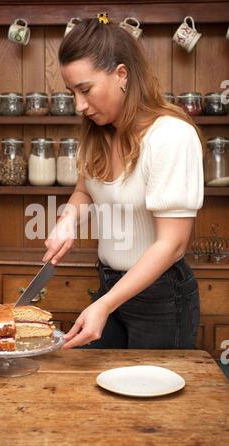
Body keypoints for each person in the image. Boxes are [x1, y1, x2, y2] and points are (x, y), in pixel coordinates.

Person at [43, 15, 204, 351]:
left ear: (121, 75)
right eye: (72, 92)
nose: (79, 105)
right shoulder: (98, 134)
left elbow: (172, 245)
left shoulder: (171, 135)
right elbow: (85, 191)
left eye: (85, 90)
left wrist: (104, 305)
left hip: (162, 300)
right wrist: (68, 220)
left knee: (151, 402)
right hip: (110, 287)